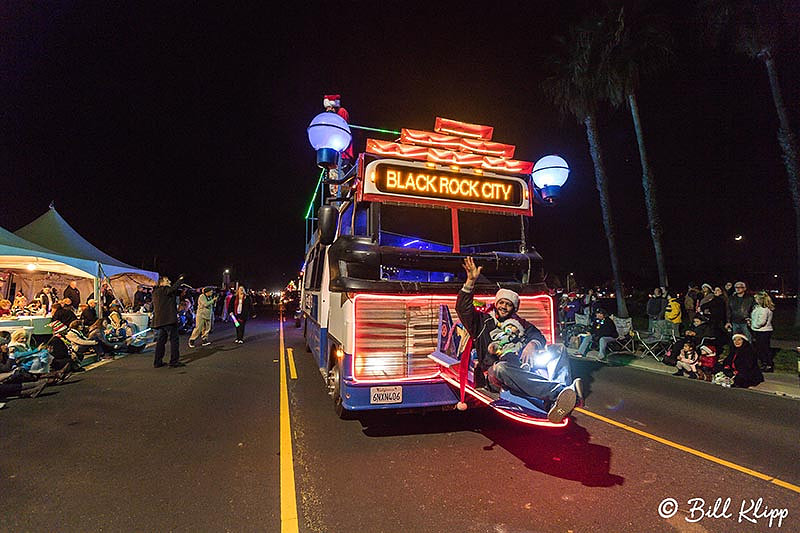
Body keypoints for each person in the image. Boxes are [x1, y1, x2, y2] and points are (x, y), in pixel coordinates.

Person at [456, 257, 582, 424]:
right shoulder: (481, 322)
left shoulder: (520, 323)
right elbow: (463, 309)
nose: (503, 307)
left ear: (513, 308)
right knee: (501, 368)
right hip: (496, 371)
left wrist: (532, 345)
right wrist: (470, 282)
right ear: (496, 303)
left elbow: (537, 335)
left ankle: (560, 400)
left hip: (522, 365)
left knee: (558, 349)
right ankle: (560, 392)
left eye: (508, 304)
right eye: (501, 302)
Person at [152, 274, 186, 368]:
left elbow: (173, 291)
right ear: (162, 283)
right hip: (168, 320)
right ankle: (174, 361)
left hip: (160, 320)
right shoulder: (164, 290)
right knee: (174, 340)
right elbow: (173, 289)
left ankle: (157, 362)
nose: (169, 282)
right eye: (167, 281)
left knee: (161, 341)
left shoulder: (156, 292)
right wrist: (180, 280)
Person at [750, 291, 775, 372]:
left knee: (763, 349)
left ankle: (767, 364)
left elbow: (761, 322)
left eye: (756, 298)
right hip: (761, 330)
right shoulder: (758, 308)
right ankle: (764, 363)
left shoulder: (764, 310)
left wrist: (753, 325)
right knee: (761, 348)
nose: (755, 300)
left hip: (763, 331)